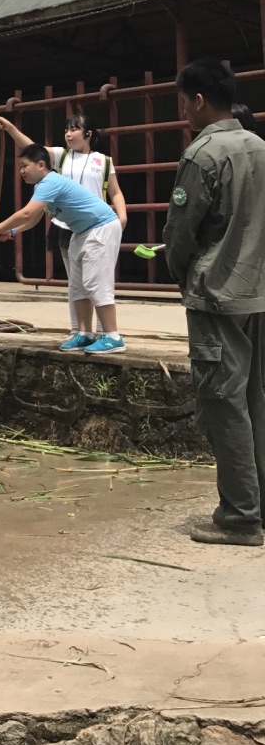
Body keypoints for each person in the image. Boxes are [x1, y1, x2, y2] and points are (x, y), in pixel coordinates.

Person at [164, 58, 265, 547]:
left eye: (182, 100)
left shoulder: (202, 155)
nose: (182, 109)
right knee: (255, 401)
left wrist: (181, 272)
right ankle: (257, 504)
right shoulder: (260, 148)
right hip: (258, 293)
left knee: (223, 403)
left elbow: (180, 235)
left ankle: (241, 516)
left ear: (198, 100)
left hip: (218, 293)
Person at [0, 114, 127, 348]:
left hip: (98, 224)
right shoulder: (61, 157)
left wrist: (122, 215)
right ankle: (81, 332)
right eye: (66, 129)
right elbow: (32, 149)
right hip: (70, 226)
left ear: (88, 134)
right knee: (78, 284)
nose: (68, 134)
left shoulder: (102, 161)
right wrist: (11, 128)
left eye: (74, 129)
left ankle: (110, 335)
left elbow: (115, 191)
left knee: (97, 282)